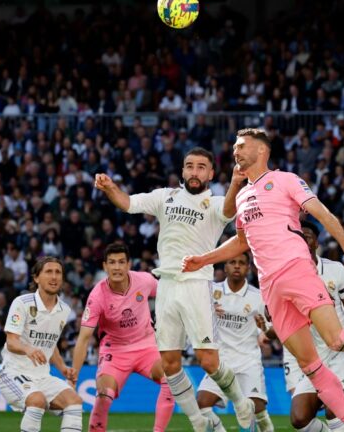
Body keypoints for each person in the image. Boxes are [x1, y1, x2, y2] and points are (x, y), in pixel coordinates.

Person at [182, 128, 344, 432]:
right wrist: (204, 259)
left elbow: (321, 213)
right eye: (234, 148)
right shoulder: (242, 196)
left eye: (242, 146)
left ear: (261, 152)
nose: (236, 152)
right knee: (310, 366)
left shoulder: (286, 180)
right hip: (270, 287)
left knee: (338, 340)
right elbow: (241, 243)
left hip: (295, 269)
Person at [94, 146, 255, 432]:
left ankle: (241, 402)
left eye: (201, 167)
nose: (195, 172)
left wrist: (234, 183)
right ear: (182, 171)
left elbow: (230, 210)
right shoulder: (164, 196)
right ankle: (197, 420)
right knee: (169, 364)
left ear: (210, 173)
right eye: (190, 166)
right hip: (166, 285)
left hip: (196, 284)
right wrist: (109, 187)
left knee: (208, 361)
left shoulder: (215, 203)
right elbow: (128, 203)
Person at [71, 243, 174, 432]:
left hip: (147, 347)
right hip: (115, 351)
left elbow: (170, 293)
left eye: (121, 262)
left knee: (172, 381)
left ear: (128, 265)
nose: (116, 267)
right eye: (111, 262)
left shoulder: (144, 280)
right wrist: (74, 374)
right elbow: (84, 337)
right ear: (104, 266)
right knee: (103, 395)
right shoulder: (97, 296)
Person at [276, 220, 344, 432]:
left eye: (307, 235)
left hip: (342, 350)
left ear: (316, 241)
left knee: (334, 408)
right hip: (314, 357)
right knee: (299, 418)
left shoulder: (335, 270)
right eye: (298, 236)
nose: (303, 239)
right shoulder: (286, 276)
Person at [0, 257, 83, 432]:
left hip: (42, 377)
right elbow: (11, 341)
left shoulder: (64, 310)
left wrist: (63, 368)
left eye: (58, 272)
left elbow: (51, 344)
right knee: (37, 401)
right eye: (48, 272)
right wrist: (28, 349)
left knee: (74, 401)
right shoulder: (22, 303)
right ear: (36, 278)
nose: (54, 277)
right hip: (13, 372)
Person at [196, 252, 274, 432]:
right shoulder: (210, 292)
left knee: (256, 410)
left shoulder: (258, 297)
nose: (237, 266)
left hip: (248, 361)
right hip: (220, 361)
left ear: (248, 268)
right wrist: (208, 310)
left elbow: (269, 332)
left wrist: (265, 330)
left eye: (241, 263)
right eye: (232, 262)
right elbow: (194, 317)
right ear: (225, 268)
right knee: (201, 404)